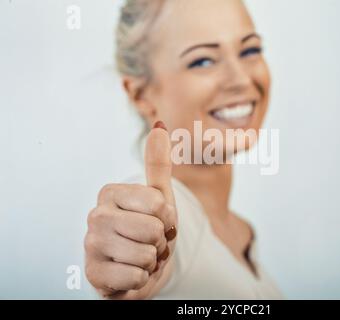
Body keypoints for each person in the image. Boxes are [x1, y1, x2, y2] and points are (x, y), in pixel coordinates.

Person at [84, 0, 283, 299]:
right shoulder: (160, 220)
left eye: (249, 50)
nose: (241, 79)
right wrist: (123, 265)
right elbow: (132, 235)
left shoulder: (243, 233)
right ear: (140, 94)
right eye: (202, 61)